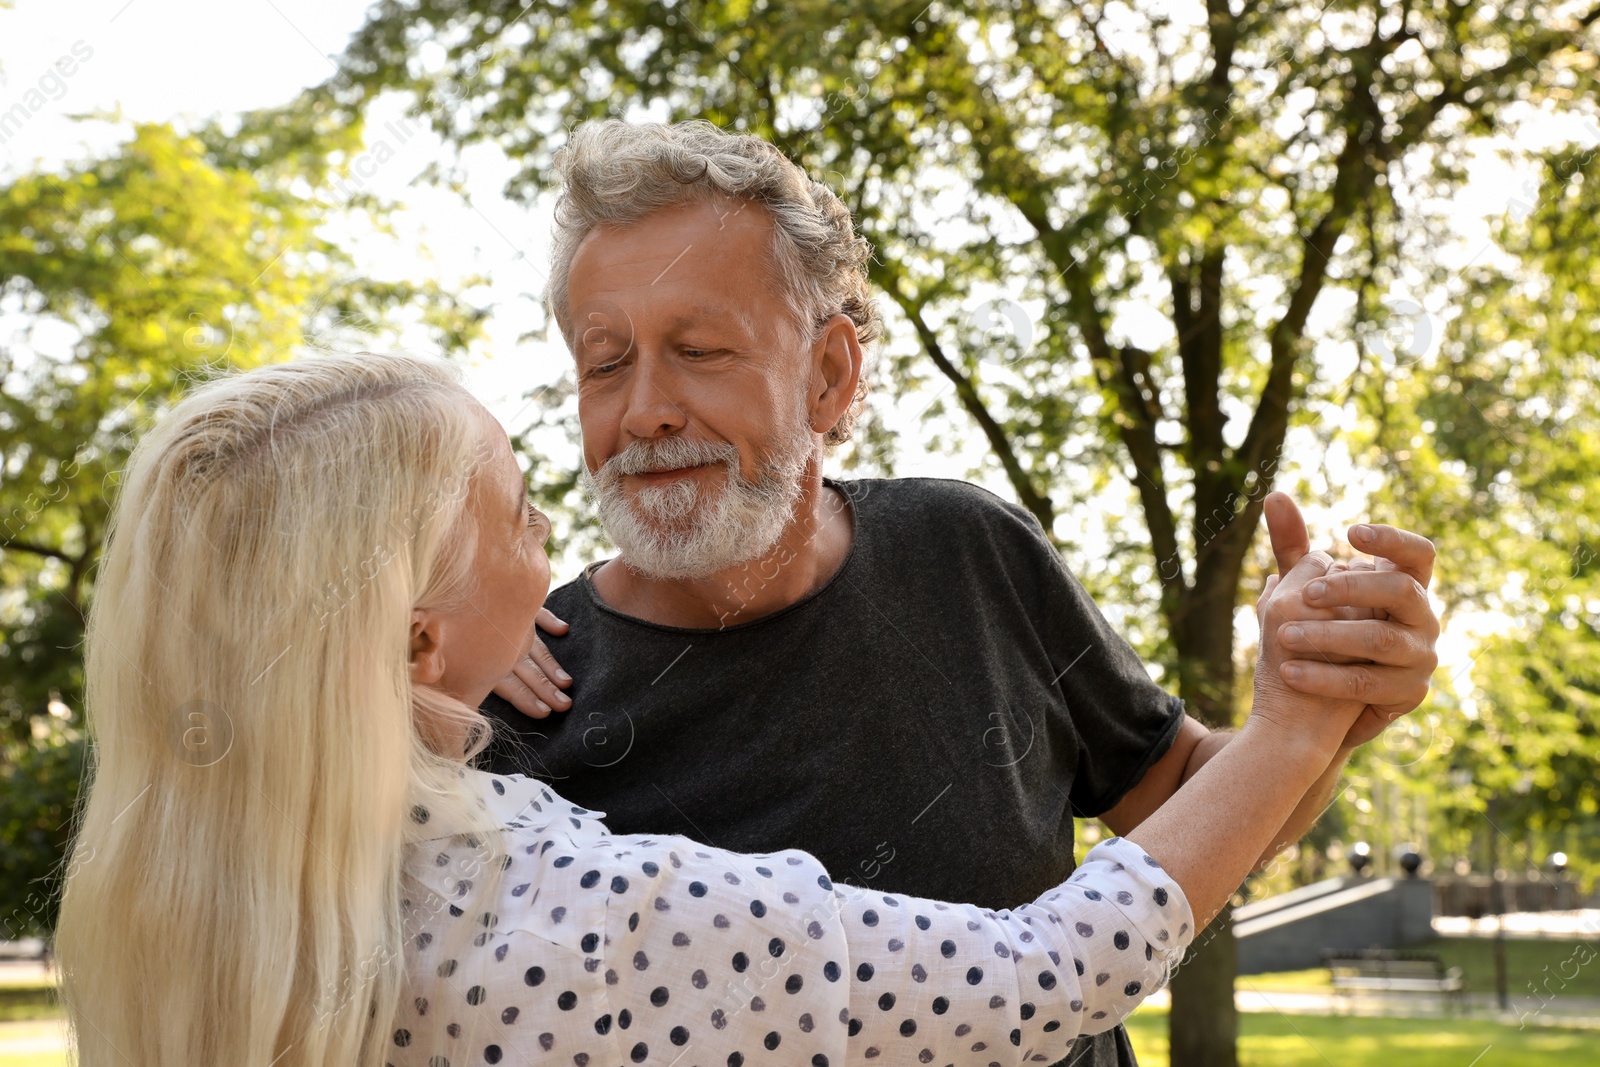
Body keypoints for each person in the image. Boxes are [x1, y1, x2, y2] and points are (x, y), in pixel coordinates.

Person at [57, 353, 1372, 1067]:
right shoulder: (566, 918)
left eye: (700, 349)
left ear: (829, 370)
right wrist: (1301, 719)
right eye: (520, 514)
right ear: (407, 634)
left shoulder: (201, 899)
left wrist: (437, 689)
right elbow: (1044, 978)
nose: (566, 519)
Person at [482, 120, 1442, 1065]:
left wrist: (1318, 699)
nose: (644, 407)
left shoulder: (970, 548)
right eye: (605, 363)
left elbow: (1189, 805)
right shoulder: (508, 697)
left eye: (700, 350)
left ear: (829, 373)